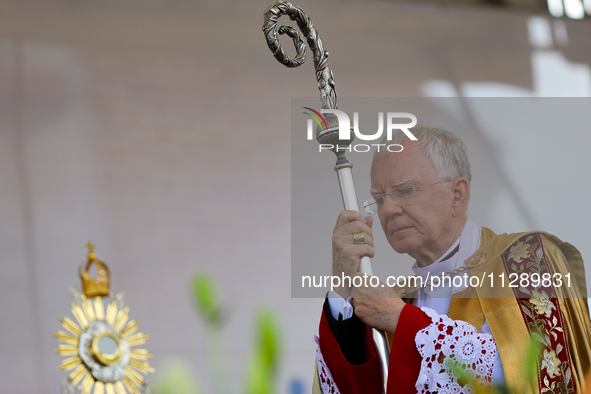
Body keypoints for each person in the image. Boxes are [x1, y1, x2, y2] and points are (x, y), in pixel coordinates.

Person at [312, 126, 591, 394]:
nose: (388, 209)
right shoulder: (399, 298)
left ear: (457, 194)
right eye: (378, 199)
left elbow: (536, 376)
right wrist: (343, 285)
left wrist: (403, 321)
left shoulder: (526, 258)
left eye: (405, 191)